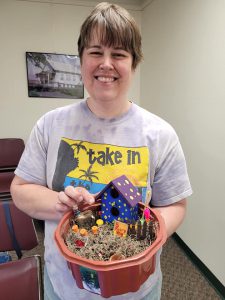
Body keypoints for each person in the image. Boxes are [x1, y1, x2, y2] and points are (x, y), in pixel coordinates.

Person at [11, 2, 192, 300]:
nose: (106, 63)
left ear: (133, 63)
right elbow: (20, 190)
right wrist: (61, 201)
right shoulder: (50, 125)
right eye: (95, 52)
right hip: (65, 286)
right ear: (81, 59)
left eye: (119, 54)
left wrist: (145, 236)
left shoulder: (160, 134)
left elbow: (176, 205)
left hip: (138, 287)